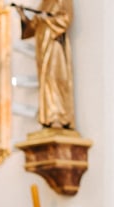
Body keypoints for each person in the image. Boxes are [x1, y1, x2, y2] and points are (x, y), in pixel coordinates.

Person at [15, 0, 75, 129]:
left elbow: (66, 18)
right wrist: (23, 15)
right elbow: (31, 29)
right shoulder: (44, 2)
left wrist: (47, 19)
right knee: (45, 81)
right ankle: (47, 117)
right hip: (42, 47)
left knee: (56, 79)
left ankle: (58, 116)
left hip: (55, 45)